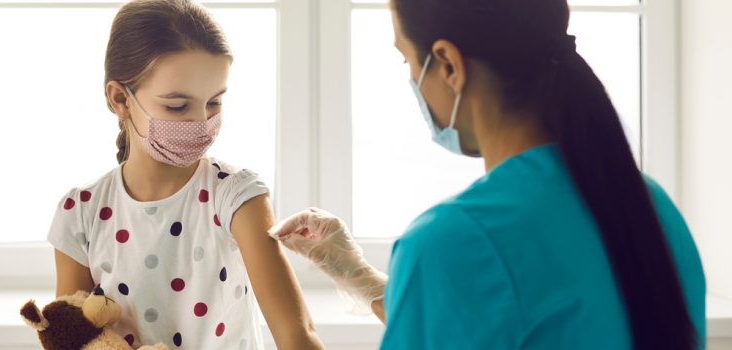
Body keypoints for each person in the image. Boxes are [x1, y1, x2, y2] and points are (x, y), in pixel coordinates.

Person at [270, 0, 706, 349]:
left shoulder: (454, 240)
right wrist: (361, 279)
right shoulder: (649, 204)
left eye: (406, 60)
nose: (411, 81)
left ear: (447, 64)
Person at [48, 1, 323, 348]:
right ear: (120, 99)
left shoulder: (237, 197)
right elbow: (71, 337)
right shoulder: (81, 212)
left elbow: (296, 333)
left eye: (214, 103)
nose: (201, 123)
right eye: (177, 106)